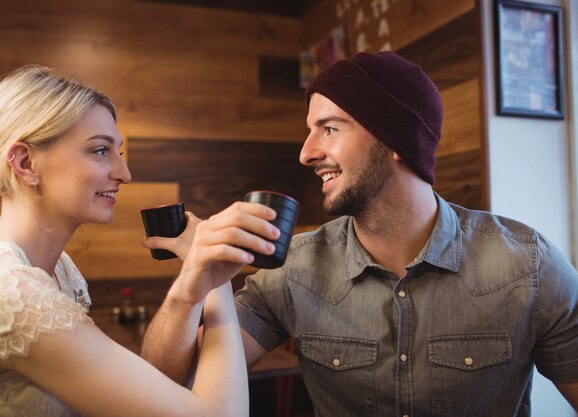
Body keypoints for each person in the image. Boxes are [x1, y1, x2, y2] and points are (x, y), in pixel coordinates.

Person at [141, 52, 578, 416]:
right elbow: (173, 386)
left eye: (329, 129)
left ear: (395, 139)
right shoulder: (294, 267)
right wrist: (191, 285)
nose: (306, 153)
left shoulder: (527, 265)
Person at [0, 65, 281, 417]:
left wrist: (195, 282)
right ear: (26, 162)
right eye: (99, 151)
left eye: (118, 152)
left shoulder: (58, 270)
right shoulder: (7, 292)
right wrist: (217, 280)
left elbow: (141, 390)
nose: (124, 174)